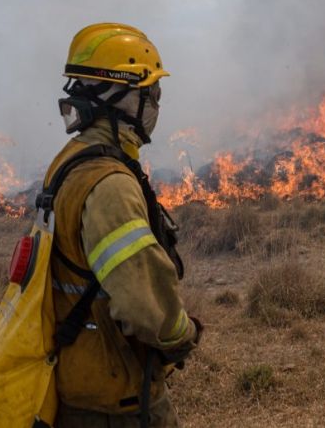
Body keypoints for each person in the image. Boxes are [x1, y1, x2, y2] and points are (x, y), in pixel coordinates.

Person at [46, 23, 199, 427]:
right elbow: (143, 301)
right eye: (150, 94)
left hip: (75, 379)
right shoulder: (109, 184)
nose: (154, 107)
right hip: (114, 402)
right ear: (123, 97)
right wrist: (182, 336)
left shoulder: (70, 161)